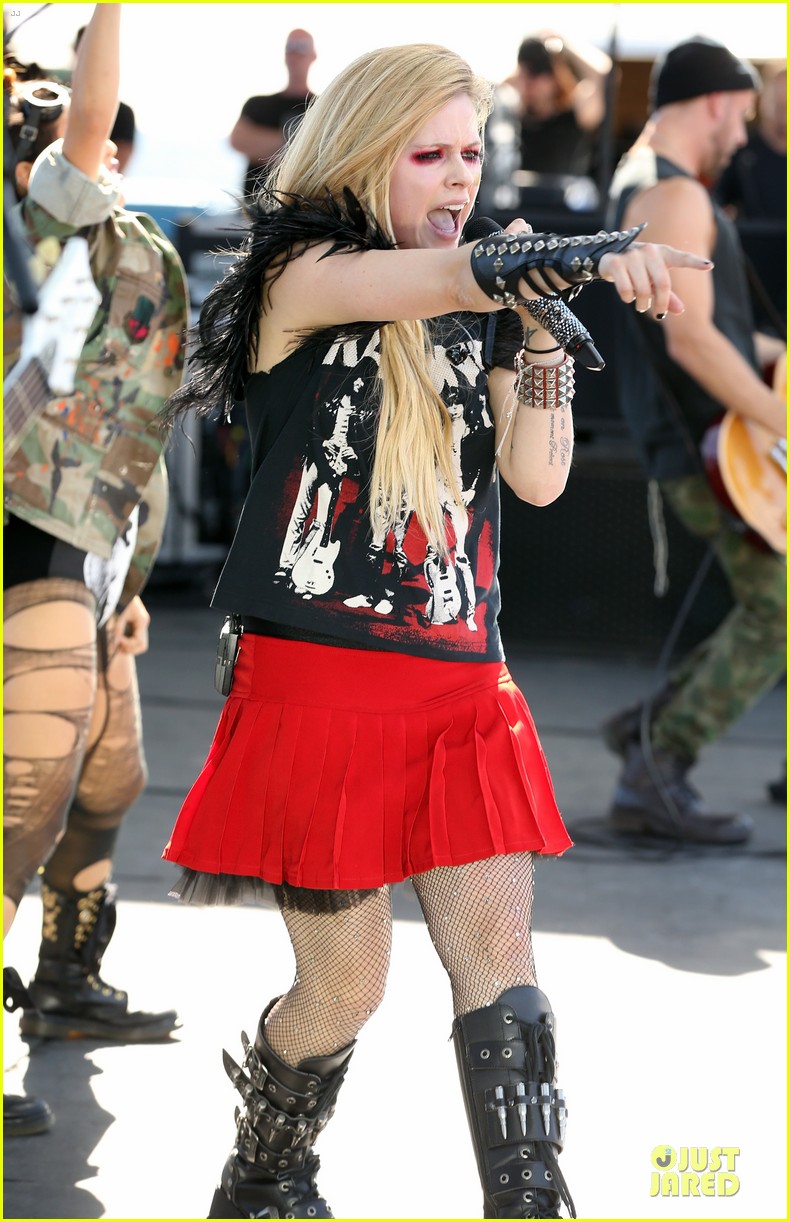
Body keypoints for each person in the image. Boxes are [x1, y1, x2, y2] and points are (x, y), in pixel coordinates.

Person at [161, 42, 710, 1220]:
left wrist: (550, 337)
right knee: (345, 989)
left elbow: (541, 478)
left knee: (500, 967)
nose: (457, 176)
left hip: (462, 683)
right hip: (317, 684)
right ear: (366, 154)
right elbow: (432, 280)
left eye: (470, 152)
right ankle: (262, 1174)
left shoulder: (489, 300)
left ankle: (530, 1203)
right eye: (429, 154)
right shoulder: (302, 272)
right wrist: (592, 255)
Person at [3, 3, 188, 1135]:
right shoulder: (47, 218)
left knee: (109, 781)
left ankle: (67, 984)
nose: (92, 144)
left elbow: (136, 433)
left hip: (102, 558)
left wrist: (130, 590)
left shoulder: (130, 246)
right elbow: (83, 123)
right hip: (38, 549)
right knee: (20, 805)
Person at [602, 37, 786, 843]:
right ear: (716, 101)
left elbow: (723, 334)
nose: (743, 137)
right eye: (742, 116)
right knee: (779, 609)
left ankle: (648, 733)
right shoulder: (673, 194)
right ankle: (656, 761)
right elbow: (694, 342)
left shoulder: (641, 182)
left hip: (697, 441)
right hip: (708, 446)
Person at [502, 32, 612, 178]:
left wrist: (564, 42)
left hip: (563, 198)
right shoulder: (510, 115)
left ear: (554, 79)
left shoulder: (573, 116)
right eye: (525, 73)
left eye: (537, 74)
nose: (529, 83)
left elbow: (605, 74)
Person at [229, 28, 316, 201]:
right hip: (255, 207)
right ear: (284, 54)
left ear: (313, 55)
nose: (295, 55)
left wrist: (264, 145)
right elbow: (238, 141)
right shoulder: (257, 104)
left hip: (304, 208)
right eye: (291, 47)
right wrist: (302, 145)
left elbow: (331, 152)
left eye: (302, 47)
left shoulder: (321, 106)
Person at [715, 62, 786, 222]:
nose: (783, 117)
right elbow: (718, 198)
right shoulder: (740, 149)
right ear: (763, 102)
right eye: (778, 106)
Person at [72, 23, 136, 172]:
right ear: (76, 50)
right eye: (87, 47)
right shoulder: (57, 102)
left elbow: (118, 165)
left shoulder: (123, 113)